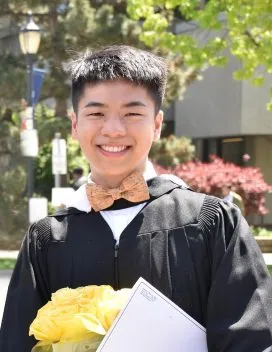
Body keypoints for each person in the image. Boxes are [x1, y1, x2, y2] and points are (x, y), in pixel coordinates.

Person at [1, 45, 272, 351]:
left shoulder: (212, 223)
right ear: (75, 124)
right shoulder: (46, 239)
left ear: (156, 125)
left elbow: (250, 341)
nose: (114, 129)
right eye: (97, 113)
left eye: (132, 113)